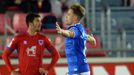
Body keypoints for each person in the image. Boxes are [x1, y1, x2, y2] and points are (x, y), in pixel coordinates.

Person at [56, 4, 96, 75]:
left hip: (78, 70)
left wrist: (62, 31)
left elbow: (70, 33)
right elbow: (92, 41)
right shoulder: (81, 29)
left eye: (68, 14)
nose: (66, 16)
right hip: (79, 69)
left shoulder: (75, 29)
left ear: (74, 17)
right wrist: (92, 39)